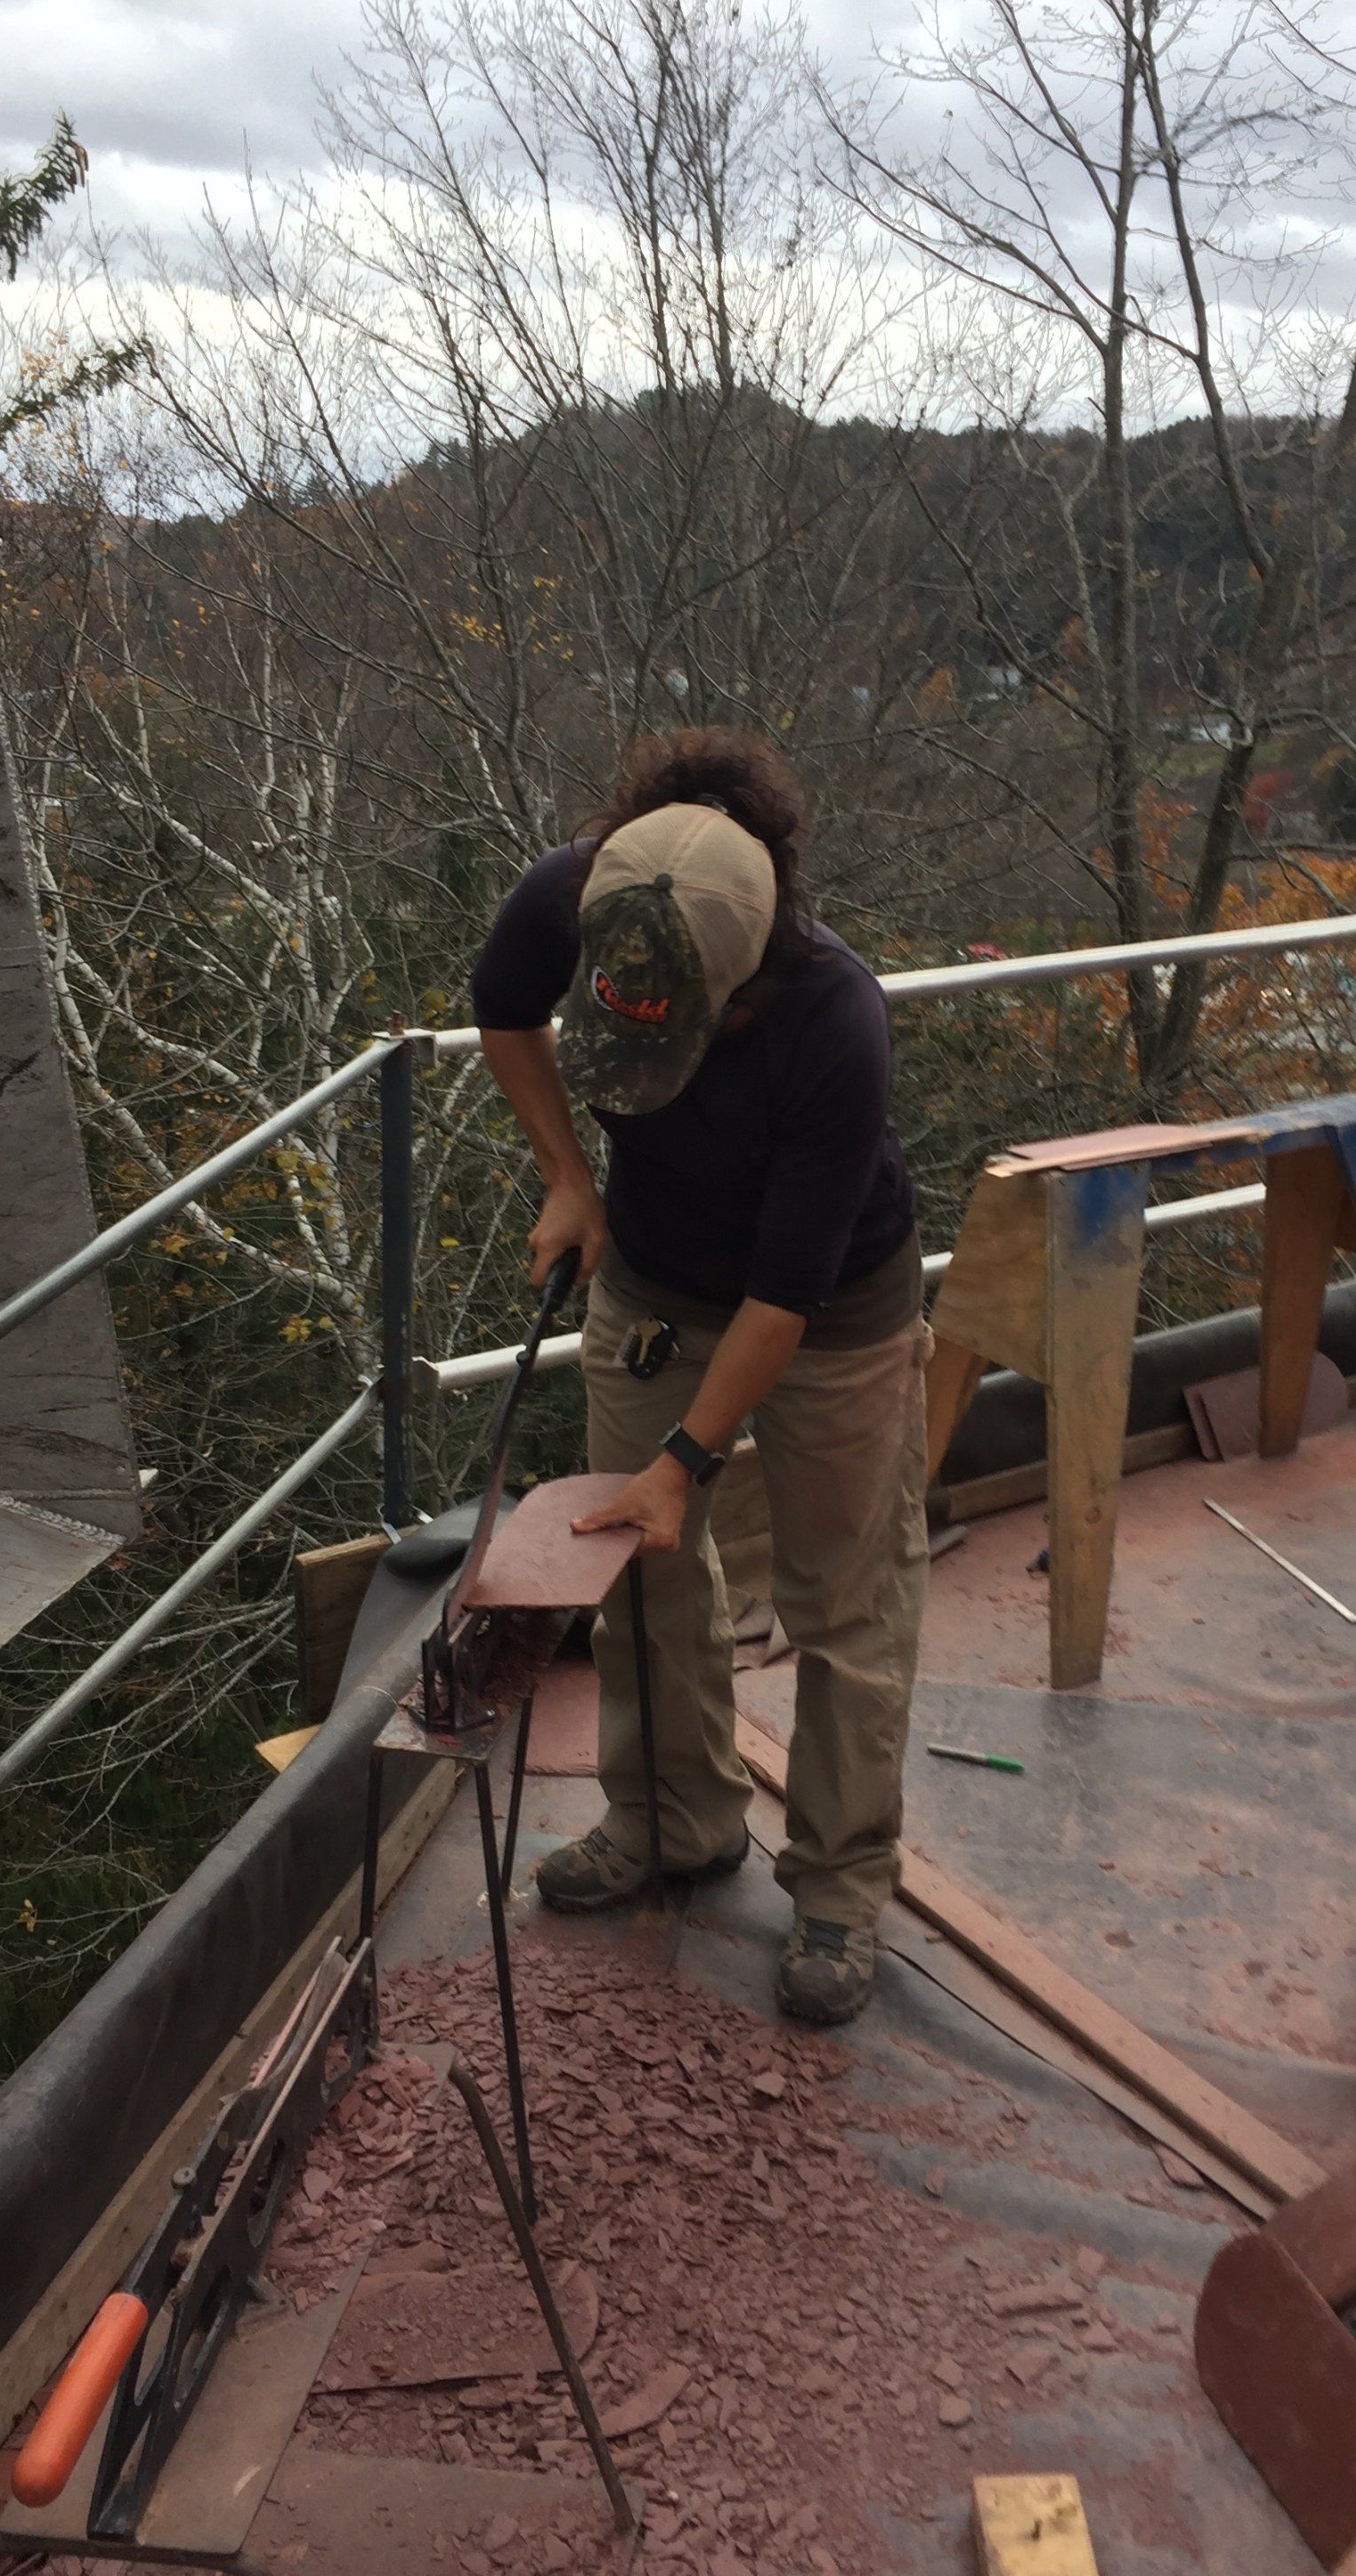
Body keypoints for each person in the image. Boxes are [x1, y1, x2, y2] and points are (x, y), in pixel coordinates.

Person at [470, 727, 928, 2025]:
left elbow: (786, 1293)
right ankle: (673, 1822)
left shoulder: (833, 1019)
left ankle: (838, 1887)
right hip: (654, 1289)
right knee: (640, 1572)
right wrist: (568, 1173)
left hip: (833, 1317)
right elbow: (501, 1010)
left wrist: (688, 1463)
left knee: (846, 1606)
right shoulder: (579, 891)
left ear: (743, 981)